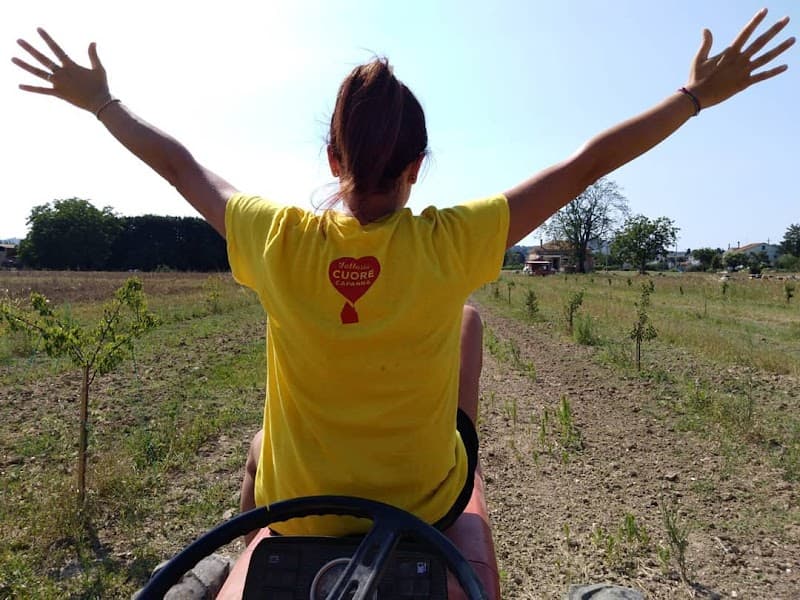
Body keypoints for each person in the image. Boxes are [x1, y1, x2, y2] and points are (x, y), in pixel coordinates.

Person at [13, 10, 793, 543]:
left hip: (299, 517)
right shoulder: (455, 242)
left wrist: (101, 103)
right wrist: (693, 97)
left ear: (332, 160)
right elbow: (587, 163)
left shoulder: (275, 236)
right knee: (468, 321)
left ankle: (238, 545)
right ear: (418, 167)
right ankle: (450, 463)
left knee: (259, 441)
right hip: (423, 507)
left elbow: (181, 166)